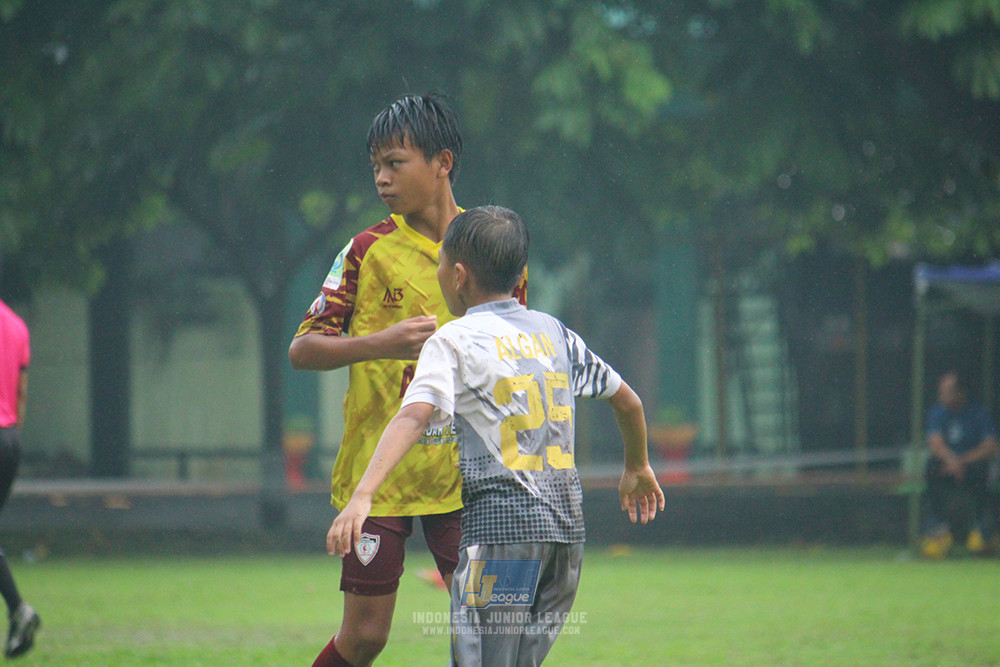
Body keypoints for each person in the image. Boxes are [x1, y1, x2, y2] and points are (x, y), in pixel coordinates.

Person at [328, 206, 665, 666]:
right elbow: (629, 401)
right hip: (565, 540)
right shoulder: (555, 333)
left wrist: (364, 493)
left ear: (459, 276)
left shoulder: (454, 341)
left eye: (440, 265)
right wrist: (638, 465)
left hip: (502, 535)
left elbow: (413, 417)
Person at [289, 94, 526, 667]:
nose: (381, 178)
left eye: (395, 163)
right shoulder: (366, 251)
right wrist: (380, 344)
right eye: (375, 165)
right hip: (381, 473)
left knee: (493, 630)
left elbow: (517, 360)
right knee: (366, 637)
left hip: (466, 479)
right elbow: (303, 350)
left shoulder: (495, 252)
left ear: (442, 162)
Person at [920, 371, 999, 558]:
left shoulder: (979, 414)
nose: (942, 396)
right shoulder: (937, 413)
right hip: (948, 466)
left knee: (985, 473)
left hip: (971, 467)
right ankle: (936, 531)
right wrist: (952, 460)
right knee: (931, 467)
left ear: (960, 392)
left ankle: (982, 532)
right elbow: (935, 442)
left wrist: (960, 461)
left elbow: (990, 446)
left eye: (946, 392)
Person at [0, 297, 41, 658]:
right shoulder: (16, 325)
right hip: (9, 438)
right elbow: (21, 394)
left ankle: (18, 608)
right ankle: (17, 611)